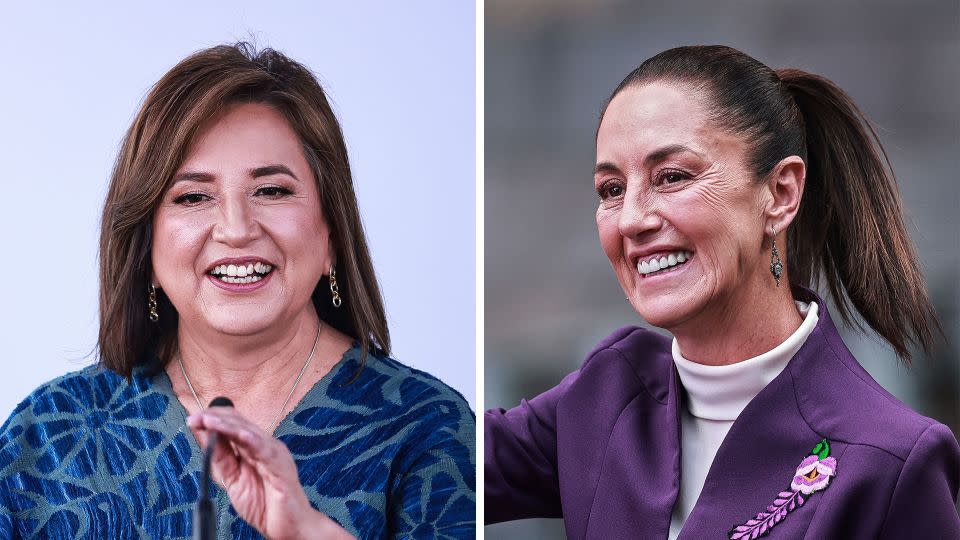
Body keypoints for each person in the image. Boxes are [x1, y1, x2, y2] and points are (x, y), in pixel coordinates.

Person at [0, 43, 475, 539]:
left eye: (271, 191)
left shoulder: (428, 432)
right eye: (194, 196)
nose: (235, 228)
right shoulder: (46, 437)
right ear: (145, 244)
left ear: (332, 233)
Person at [485, 45, 959, 539]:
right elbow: (437, 453)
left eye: (672, 177)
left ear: (780, 194)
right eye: (611, 189)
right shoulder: (606, 394)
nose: (631, 219)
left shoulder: (891, 459)